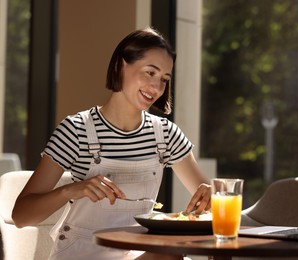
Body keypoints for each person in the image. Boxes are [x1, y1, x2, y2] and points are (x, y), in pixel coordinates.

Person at [12, 28, 211, 260]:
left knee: (171, 256)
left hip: (133, 253)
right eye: (149, 73)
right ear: (121, 66)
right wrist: (72, 189)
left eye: (164, 79)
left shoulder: (165, 134)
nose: (156, 88)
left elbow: (213, 206)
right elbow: (21, 216)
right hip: (82, 254)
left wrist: (212, 197)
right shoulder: (77, 130)